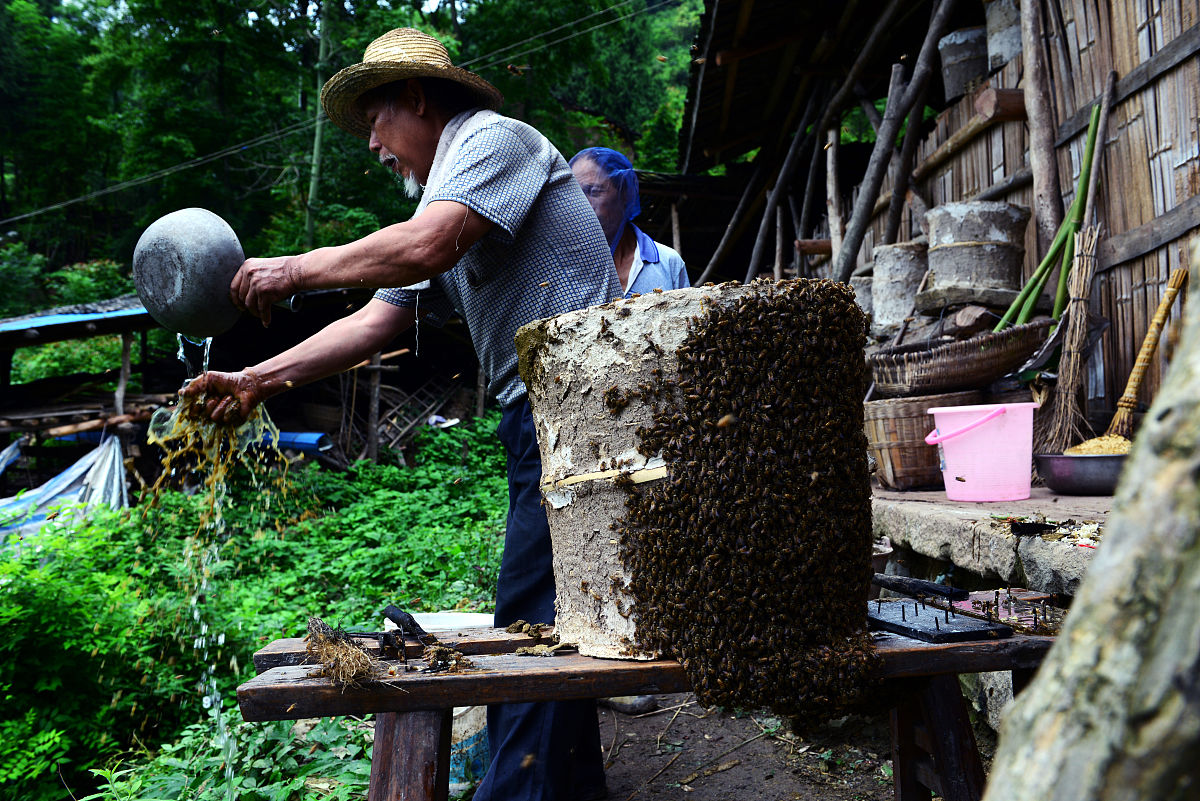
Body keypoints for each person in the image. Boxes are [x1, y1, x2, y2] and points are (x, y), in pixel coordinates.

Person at [181, 28, 619, 801]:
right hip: (544, 416)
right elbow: (376, 322)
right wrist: (256, 379)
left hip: (584, 406)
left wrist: (293, 269)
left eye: (376, 121)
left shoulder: (492, 140)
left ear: (415, 98)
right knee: (559, 611)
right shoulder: (443, 194)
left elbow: (426, 246)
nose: (373, 144)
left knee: (533, 620)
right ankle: (573, 786)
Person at [569, 146, 689, 296]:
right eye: (576, 195)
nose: (583, 205)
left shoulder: (668, 263)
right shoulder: (565, 268)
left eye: (594, 191)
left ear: (624, 193)